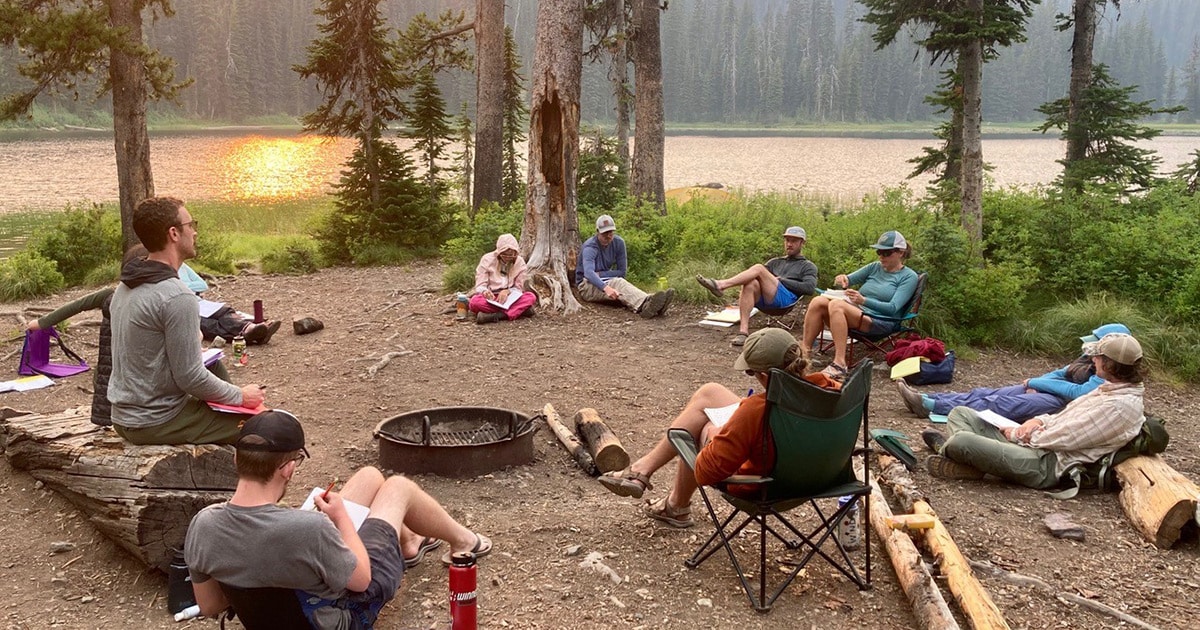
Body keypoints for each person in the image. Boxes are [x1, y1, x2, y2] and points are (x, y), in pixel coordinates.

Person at [185, 410, 492, 628]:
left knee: (370, 477)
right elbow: (361, 581)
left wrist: (253, 565)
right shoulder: (309, 528)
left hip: (282, 607)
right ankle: (464, 540)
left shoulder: (203, 525)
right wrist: (342, 520)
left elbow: (211, 605)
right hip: (341, 614)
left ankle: (410, 541)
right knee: (397, 488)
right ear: (289, 468)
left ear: (237, 458)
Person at [596, 328, 839, 528]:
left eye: (750, 371)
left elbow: (706, 471)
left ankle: (675, 504)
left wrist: (713, 434)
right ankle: (643, 472)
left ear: (764, 376)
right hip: (819, 476)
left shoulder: (755, 411)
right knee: (710, 393)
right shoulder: (832, 390)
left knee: (700, 426)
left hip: (765, 483)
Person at [108, 196, 266, 445]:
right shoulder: (177, 297)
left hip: (124, 416)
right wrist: (241, 396)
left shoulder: (127, 285)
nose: (194, 232)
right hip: (157, 420)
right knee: (271, 429)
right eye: (191, 224)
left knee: (214, 365)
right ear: (173, 233)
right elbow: (190, 378)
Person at [922, 333, 1146, 489]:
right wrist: (1038, 420)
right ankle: (973, 465)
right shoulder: (1110, 389)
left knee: (963, 441)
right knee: (961, 413)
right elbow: (1064, 418)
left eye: (1098, 357)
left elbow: (1067, 438)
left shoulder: (1119, 406)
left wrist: (1018, 434)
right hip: (1038, 443)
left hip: (1047, 463)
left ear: (1111, 365)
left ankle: (949, 449)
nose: (1093, 360)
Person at [896, 323, 1130, 422]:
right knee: (987, 392)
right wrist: (1038, 384)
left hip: (1063, 406)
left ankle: (931, 409)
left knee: (998, 404)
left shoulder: (1112, 369)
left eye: (1096, 346)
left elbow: (1077, 393)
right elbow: (1061, 373)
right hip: (1048, 392)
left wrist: (1037, 383)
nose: (1091, 351)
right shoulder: (1090, 358)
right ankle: (928, 400)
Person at [800, 230, 919, 381]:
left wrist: (863, 300)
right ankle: (805, 354)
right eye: (879, 251)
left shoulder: (909, 277)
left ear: (900, 253)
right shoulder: (875, 267)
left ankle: (839, 363)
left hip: (881, 320)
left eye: (886, 253)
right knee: (819, 302)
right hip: (858, 312)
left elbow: (893, 308)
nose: (881, 256)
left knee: (837, 305)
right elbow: (848, 279)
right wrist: (842, 279)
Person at [695, 226, 819, 347]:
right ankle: (743, 332)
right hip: (765, 299)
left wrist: (782, 281)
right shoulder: (775, 262)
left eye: (794, 241)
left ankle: (722, 285)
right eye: (787, 240)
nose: (789, 244)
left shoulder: (808, 266)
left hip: (786, 300)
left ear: (802, 243)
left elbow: (809, 288)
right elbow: (755, 277)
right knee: (750, 283)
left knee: (759, 268)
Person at [575, 214, 674, 318]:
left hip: (606, 280)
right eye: (605, 233)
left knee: (619, 282)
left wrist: (601, 274)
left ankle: (653, 302)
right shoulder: (590, 247)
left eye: (611, 232)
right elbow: (589, 273)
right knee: (618, 282)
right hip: (586, 285)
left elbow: (622, 272)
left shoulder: (618, 243)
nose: (608, 236)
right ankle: (645, 305)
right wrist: (606, 288)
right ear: (597, 232)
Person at [179, 262, 281, 344]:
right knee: (209, 325)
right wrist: (187, 286)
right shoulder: (164, 270)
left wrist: (182, 285)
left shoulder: (183, 266)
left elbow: (202, 285)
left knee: (225, 312)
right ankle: (253, 335)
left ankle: (250, 329)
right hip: (183, 308)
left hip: (200, 302)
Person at [469, 233, 538, 324]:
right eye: (504, 254)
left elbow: (518, 288)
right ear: (499, 252)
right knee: (474, 302)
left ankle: (497, 316)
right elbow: (480, 284)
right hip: (492, 298)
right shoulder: (487, 259)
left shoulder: (520, 262)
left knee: (530, 297)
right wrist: (485, 292)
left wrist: (507, 291)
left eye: (511, 255)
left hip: (510, 297)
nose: (508, 257)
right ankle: (520, 311)